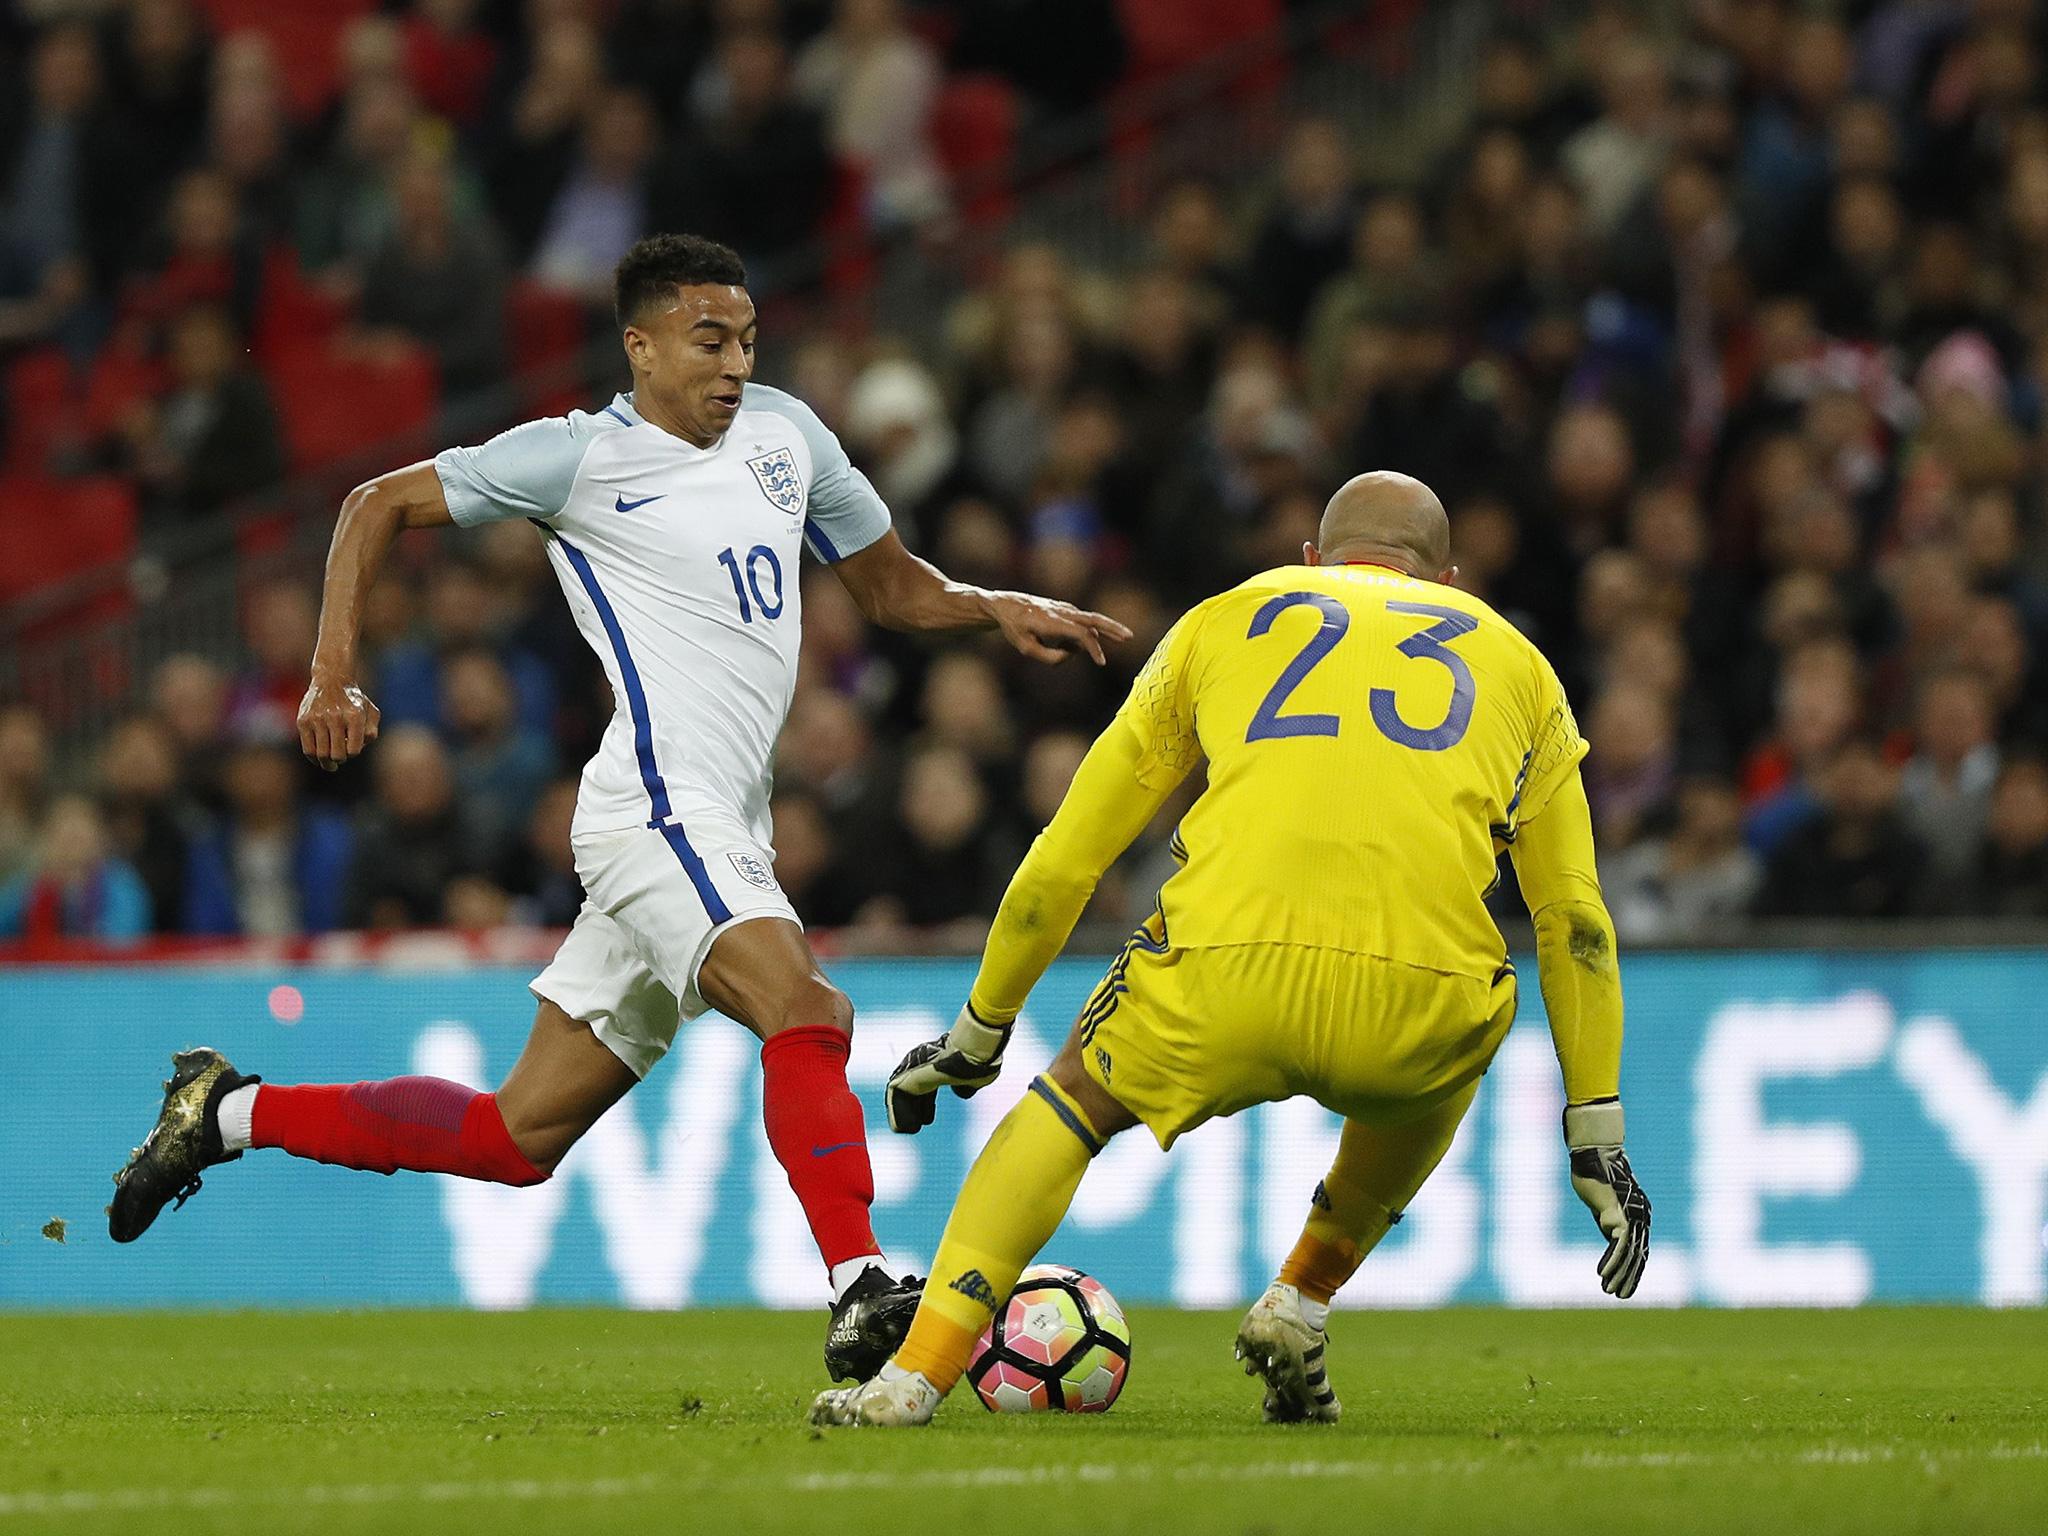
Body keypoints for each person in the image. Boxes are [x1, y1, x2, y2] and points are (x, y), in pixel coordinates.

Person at [106, 233, 1130, 1386]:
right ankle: (859, 1286)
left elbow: (890, 586)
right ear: (638, 347)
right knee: (805, 1005)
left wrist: (991, 604)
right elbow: (373, 501)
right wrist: (332, 667)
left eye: (745, 339)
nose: (735, 363)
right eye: (707, 340)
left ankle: (226, 1112)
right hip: (653, 804)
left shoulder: (790, 437)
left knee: (515, 1137)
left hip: (725, 822)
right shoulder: (576, 458)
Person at [811, 471, 1652, 1428]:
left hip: (1220, 973)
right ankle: (1303, 1295)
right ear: (1448, 579)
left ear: (1310, 562)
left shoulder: (1225, 620)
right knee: (1468, 1019)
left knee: (1073, 1101)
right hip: (1414, 1000)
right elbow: (1574, 922)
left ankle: (911, 1378)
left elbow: (1069, 858)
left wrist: (981, 1026)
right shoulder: (1523, 670)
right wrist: (1597, 1130)